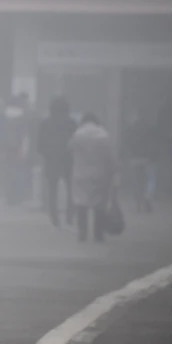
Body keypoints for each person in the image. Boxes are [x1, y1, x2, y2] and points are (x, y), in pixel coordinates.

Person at [70, 112, 117, 243]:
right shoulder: (104, 135)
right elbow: (110, 157)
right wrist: (114, 171)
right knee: (99, 205)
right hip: (100, 174)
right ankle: (98, 234)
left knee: (81, 203)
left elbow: (70, 149)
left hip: (80, 173)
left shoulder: (77, 134)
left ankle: (82, 232)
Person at [38, 96, 77, 226]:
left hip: (51, 159)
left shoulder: (46, 123)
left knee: (52, 189)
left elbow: (40, 142)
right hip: (67, 159)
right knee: (71, 188)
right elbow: (75, 141)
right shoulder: (71, 123)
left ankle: (54, 216)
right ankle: (70, 215)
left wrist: (44, 153)